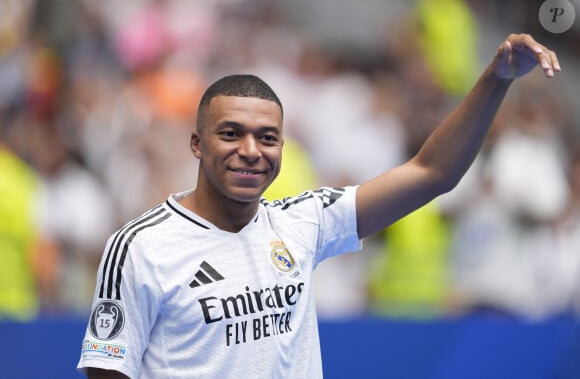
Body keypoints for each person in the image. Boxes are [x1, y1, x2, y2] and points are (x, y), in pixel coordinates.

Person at [77, 33, 560, 378]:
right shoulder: (140, 247)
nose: (251, 150)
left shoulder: (303, 221)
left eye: (267, 138)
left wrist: (496, 80)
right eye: (231, 134)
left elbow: (432, 173)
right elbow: (107, 371)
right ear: (197, 144)